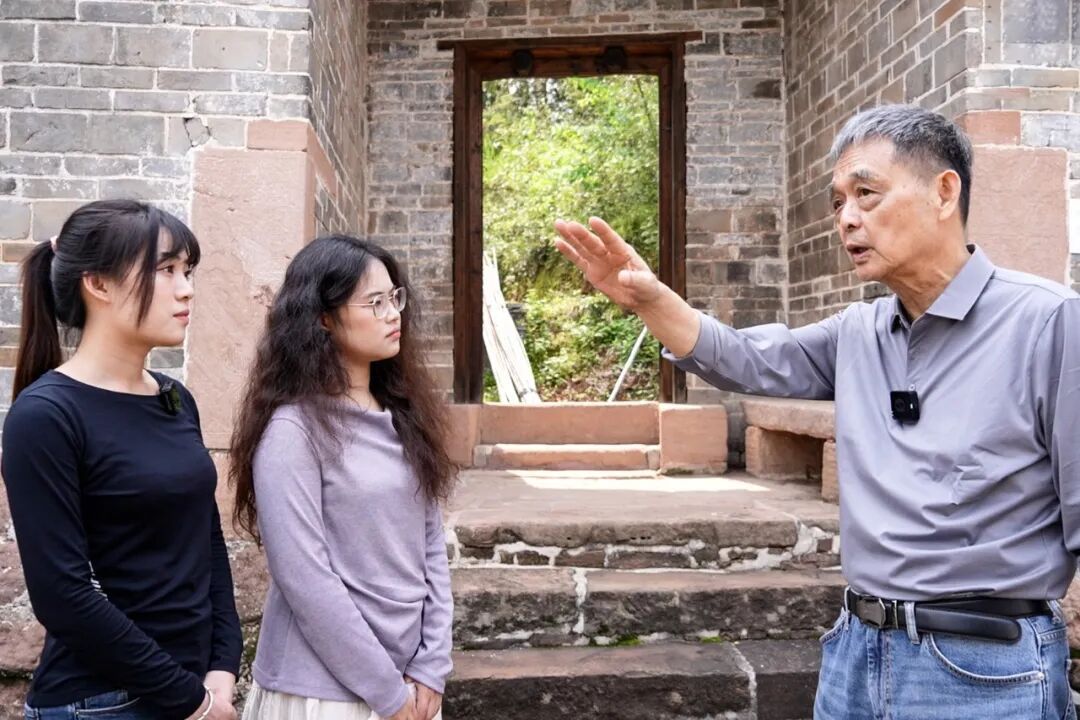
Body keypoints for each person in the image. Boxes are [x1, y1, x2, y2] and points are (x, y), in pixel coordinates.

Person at [554, 104, 1080, 719]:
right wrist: (650, 300)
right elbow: (745, 358)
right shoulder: (858, 331)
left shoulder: (1046, 322)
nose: (847, 218)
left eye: (866, 194)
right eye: (838, 203)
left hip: (985, 668)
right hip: (856, 654)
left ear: (944, 192)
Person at [1, 200, 242, 720]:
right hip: (100, 704)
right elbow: (63, 595)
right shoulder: (45, 416)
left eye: (188, 270)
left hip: (196, 689)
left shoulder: (175, 398)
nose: (186, 289)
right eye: (166, 269)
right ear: (99, 284)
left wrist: (223, 665)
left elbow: (205, 541)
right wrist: (190, 701)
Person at [230, 235, 455, 720]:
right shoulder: (294, 431)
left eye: (395, 297)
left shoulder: (404, 417)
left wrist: (433, 663)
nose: (393, 314)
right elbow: (304, 578)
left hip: (412, 686)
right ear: (323, 319)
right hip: (321, 692)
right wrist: (387, 692)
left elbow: (431, 548)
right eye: (374, 303)